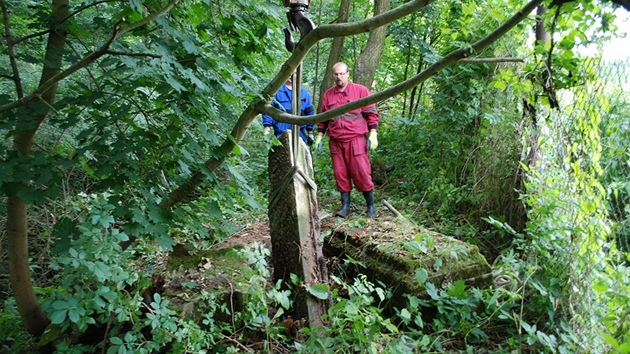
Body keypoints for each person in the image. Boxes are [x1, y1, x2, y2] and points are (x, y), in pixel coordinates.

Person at [314, 62, 379, 217]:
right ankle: (345, 206)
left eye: (342, 74)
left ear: (348, 74)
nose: (339, 77)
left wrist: (373, 133)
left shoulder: (361, 91)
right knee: (340, 173)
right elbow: (324, 118)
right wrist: (319, 136)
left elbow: (371, 113)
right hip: (336, 141)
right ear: (333, 75)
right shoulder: (328, 94)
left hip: (355, 139)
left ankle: (370, 207)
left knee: (362, 172)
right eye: (336, 74)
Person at [262, 74, 315, 145]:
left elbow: (309, 113)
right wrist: (267, 128)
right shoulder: (277, 92)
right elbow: (268, 111)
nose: (292, 75)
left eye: (295, 73)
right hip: (280, 135)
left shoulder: (304, 93)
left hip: (300, 135)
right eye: (290, 73)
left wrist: (310, 132)